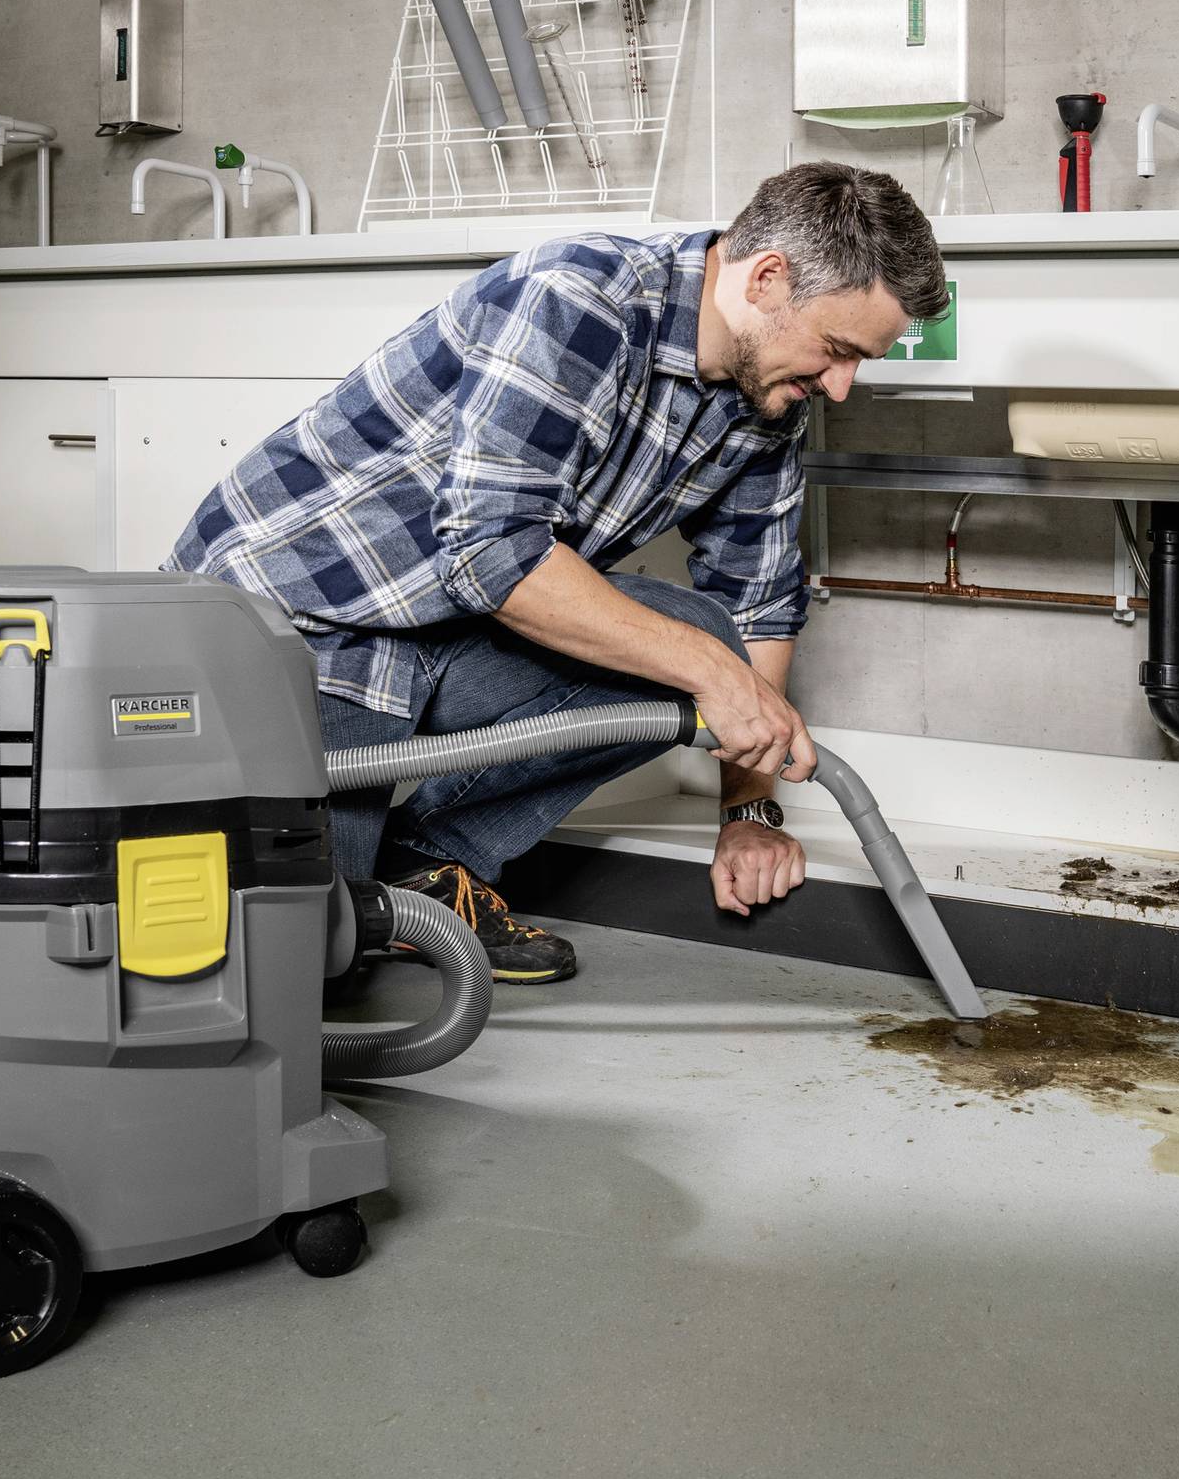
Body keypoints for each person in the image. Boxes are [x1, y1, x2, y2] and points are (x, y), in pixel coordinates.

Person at [169, 162, 950, 983]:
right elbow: (492, 553)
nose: (842, 384)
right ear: (767, 279)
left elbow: (755, 602)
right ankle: (356, 899)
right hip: (301, 625)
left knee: (707, 636)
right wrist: (709, 673)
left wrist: (748, 811)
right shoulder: (583, 297)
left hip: (448, 625)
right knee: (304, 958)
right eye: (836, 350)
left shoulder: (767, 398)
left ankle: (432, 868)